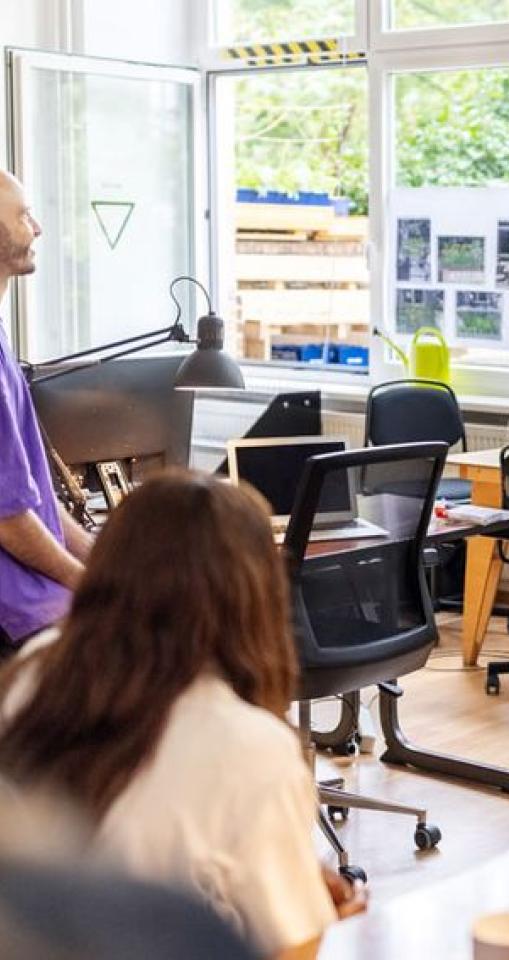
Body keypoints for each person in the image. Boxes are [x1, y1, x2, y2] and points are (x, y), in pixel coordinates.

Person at [0, 473, 363, 958]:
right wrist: (333, 920)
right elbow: (290, 947)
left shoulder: (35, 668)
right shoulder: (251, 749)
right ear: (255, 595)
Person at [0, 171, 93, 650]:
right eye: (23, 215)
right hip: (16, 615)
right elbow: (9, 519)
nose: (37, 228)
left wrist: (102, 559)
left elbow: (30, 496)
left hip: (39, 601)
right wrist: (91, 585)